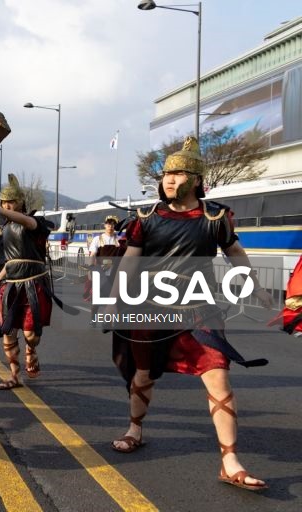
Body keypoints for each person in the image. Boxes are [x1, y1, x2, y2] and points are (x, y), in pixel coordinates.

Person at [106, 137, 272, 490]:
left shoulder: (216, 216)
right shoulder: (146, 217)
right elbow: (130, 262)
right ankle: (135, 428)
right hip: (150, 308)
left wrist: (255, 285)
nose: (169, 179)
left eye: (178, 172)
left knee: (218, 376)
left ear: (196, 179)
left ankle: (230, 461)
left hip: (200, 310)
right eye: (166, 173)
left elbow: (235, 253)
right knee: (143, 376)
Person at [0, 174, 54, 390]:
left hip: (33, 285)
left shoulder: (33, 222)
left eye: (10, 201)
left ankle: (31, 350)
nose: (6, 205)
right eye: (3, 202)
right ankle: (14, 376)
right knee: (8, 332)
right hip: (12, 286)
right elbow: (12, 260)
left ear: (20, 202)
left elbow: (25, 221)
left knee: (31, 335)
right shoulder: (6, 229)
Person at [87, 215, 122, 324]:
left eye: (113, 224)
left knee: (113, 297)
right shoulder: (98, 239)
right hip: (100, 273)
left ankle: (110, 321)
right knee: (96, 300)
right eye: (108, 224)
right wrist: (90, 269)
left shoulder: (119, 240)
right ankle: (93, 318)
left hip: (114, 272)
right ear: (105, 225)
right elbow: (92, 255)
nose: (110, 226)